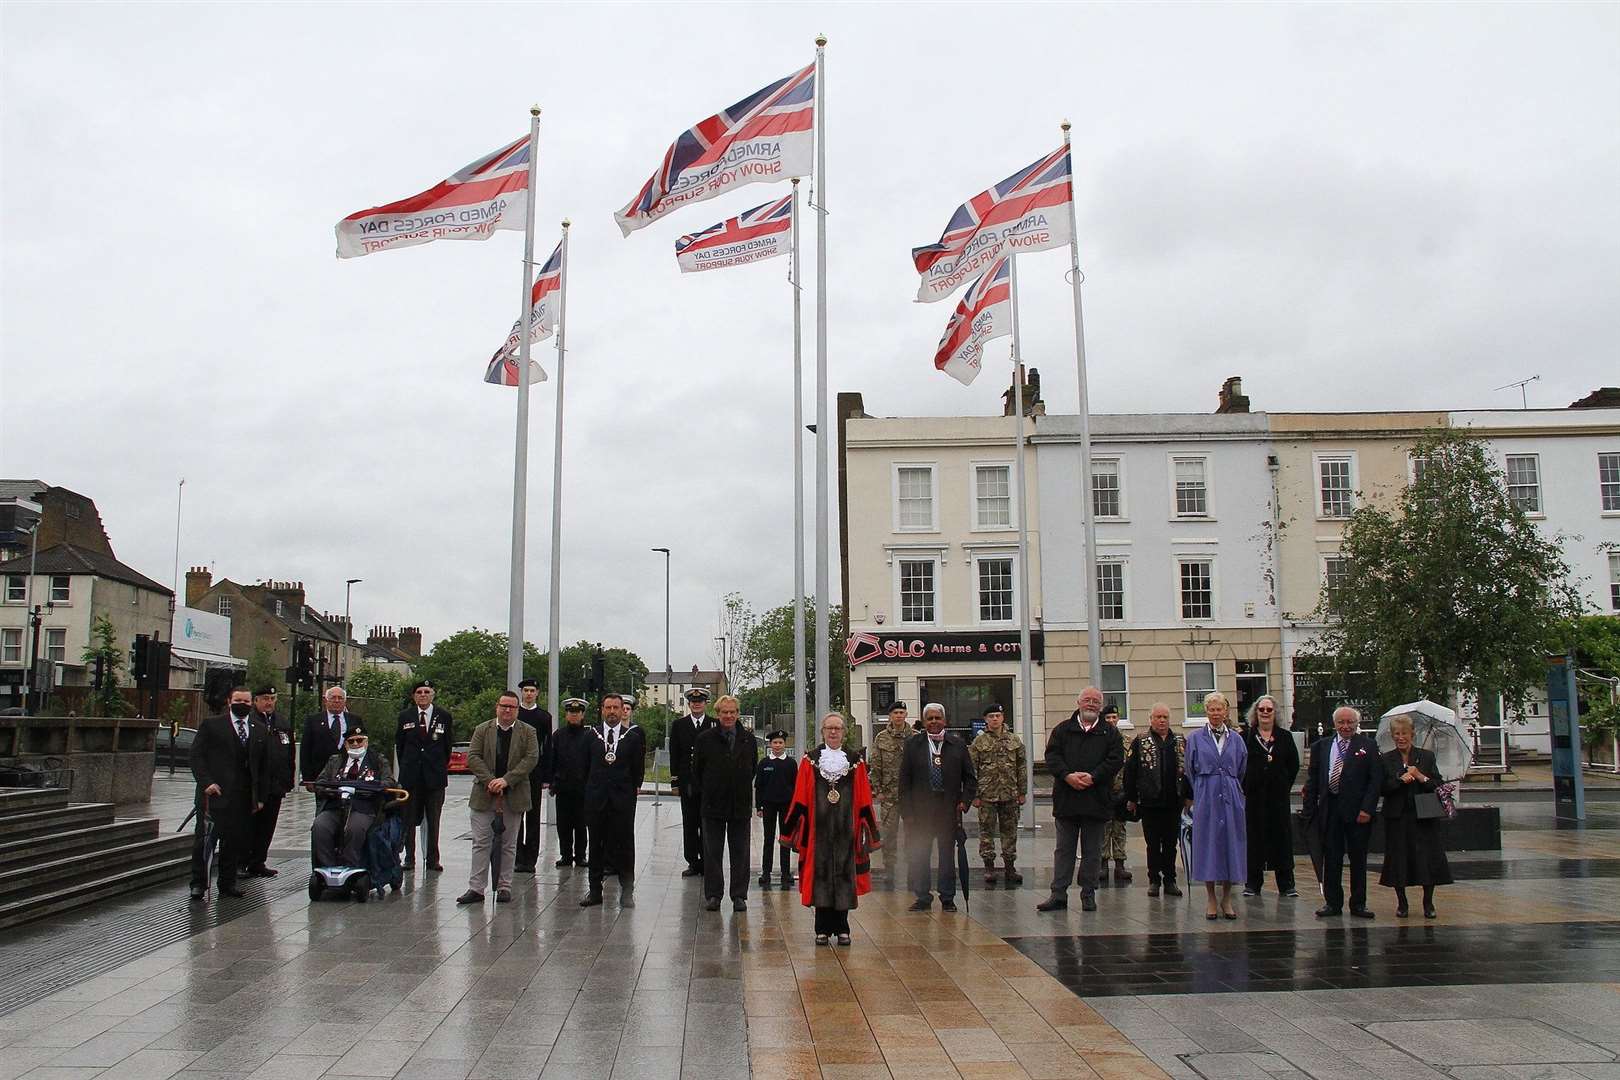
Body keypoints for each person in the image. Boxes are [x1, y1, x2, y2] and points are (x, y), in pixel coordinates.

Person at [781, 713, 880, 946]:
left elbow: (864, 796)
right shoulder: (810, 760)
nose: (833, 732)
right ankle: (822, 929)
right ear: (823, 732)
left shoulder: (855, 761)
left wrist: (868, 831)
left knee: (846, 877)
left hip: (847, 829)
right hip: (819, 831)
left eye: (837, 728)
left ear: (844, 732)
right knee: (821, 876)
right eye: (829, 728)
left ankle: (843, 928)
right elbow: (800, 796)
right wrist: (794, 831)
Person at [1038, 687, 1123, 913]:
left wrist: (1093, 777)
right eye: (1087, 700)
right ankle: (1058, 894)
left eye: (1096, 701)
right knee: (1064, 850)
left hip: (1097, 801)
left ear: (1101, 705)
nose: (1091, 704)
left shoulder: (1110, 733)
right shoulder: (1063, 730)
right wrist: (1067, 776)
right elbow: (1052, 756)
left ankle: (1088, 894)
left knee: (1092, 851)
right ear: (1078, 702)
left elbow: (1115, 760)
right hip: (1067, 800)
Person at [457, 691, 539, 905]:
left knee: (509, 844)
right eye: (504, 706)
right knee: (480, 842)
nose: (507, 710)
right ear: (497, 707)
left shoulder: (528, 732)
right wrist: (491, 780)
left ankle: (504, 886)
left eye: (512, 707)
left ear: (517, 710)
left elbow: (531, 758)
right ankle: (476, 888)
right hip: (484, 795)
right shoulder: (482, 730)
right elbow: (473, 757)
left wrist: (507, 780)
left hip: (514, 795)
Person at [1303, 706, 1383, 919]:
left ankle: (1358, 904)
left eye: (1350, 722)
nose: (1346, 726)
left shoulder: (1368, 746)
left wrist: (1367, 808)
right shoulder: (1322, 746)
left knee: (1358, 859)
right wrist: (1310, 809)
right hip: (1330, 809)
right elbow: (1313, 780)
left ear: (1357, 724)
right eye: (1341, 722)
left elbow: (1375, 781)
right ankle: (1332, 902)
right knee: (1332, 858)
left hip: (1358, 812)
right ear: (1334, 724)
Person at [189, 687, 268, 900]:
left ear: (252, 703)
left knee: (233, 843)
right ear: (229, 701)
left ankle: (227, 883)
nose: (242, 703)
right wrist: (207, 782)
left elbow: (262, 766)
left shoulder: (259, 729)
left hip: (241, 798)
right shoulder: (212, 725)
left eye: (246, 701)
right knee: (205, 841)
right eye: (237, 700)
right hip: (214, 795)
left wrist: (259, 797)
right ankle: (198, 883)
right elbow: (196, 756)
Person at [898, 703, 975, 912]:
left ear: (945, 721)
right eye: (929, 718)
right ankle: (923, 896)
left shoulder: (958, 745)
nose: (934, 722)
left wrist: (965, 801)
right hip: (921, 810)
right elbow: (904, 781)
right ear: (924, 722)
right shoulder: (913, 744)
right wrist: (907, 812)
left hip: (948, 809)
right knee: (920, 854)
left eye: (937, 718)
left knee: (947, 856)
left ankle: (947, 897)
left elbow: (970, 778)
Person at [1378, 714, 1452, 918]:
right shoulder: (1386, 759)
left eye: (1404, 734)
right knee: (1399, 859)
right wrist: (1400, 780)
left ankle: (1428, 903)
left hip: (1424, 816)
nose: (1401, 738)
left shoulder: (1426, 757)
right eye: (1396, 734)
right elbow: (1382, 788)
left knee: (1427, 858)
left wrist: (1421, 776)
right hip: (1398, 817)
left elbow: (1437, 785)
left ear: (1412, 734)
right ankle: (1402, 903)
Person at [1184, 691, 1248, 920]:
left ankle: (1227, 897)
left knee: (1232, 843)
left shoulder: (1237, 739)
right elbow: (1189, 769)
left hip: (1230, 794)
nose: (1215, 713)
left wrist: (1231, 787)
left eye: (1219, 709)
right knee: (1208, 844)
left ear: (1226, 711)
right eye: (1211, 709)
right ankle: (1211, 897)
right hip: (1207, 793)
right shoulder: (1194, 738)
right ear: (1206, 712)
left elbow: (1242, 768)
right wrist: (1202, 790)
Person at [691, 694, 759, 912]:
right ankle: (713, 895)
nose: (729, 716)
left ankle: (739, 895)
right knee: (712, 852)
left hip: (740, 804)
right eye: (724, 712)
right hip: (713, 804)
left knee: (741, 851)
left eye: (732, 712)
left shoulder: (748, 740)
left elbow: (753, 769)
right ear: (718, 714)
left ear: (738, 714)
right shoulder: (704, 739)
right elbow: (697, 771)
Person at [581, 692, 645, 909]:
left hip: (622, 802)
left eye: (616, 708)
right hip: (596, 801)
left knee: (625, 846)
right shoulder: (591, 736)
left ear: (622, 710)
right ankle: (595, 891)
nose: (611, 712)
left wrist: (627, 792)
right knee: (596, 846)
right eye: (608, 708)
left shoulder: (633, 738)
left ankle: (627, 891)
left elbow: (638, 771)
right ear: (602, 710)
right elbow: (584, 769)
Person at [311, 721, 394, 869]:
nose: (356, 744)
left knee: (354, 829)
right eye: (351, 741)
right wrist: (330, 790)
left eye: (359, 740)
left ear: (366, 742)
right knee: (320, 826)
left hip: (364, 807)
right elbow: (321, 781)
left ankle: (351, 867)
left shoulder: (378, 760)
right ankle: (326, 868)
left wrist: (370, 788)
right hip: (336, 805)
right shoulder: (336, 761)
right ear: (346, 744)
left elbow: (389, 781)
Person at [1123, 703, 1185, 898]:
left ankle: (1170, 879)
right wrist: (1131, 798)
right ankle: (1153, 879)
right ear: (1151, 719)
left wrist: (1188, 796)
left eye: (1165, 717)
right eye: (1158, 717)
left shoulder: (1179, 741)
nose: (1161, 720)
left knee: (1170, 843)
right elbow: (1130, 772)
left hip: (1173, 801)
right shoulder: (1141, 741)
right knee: (1152, 843)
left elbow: (1189, 770)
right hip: (1150, 802)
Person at [1242, 694, 1299, 897]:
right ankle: (1253, 883)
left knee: (1281, 838)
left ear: (1275, 713)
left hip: (1278, 798)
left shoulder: (1284, 736)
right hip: (1255, 798)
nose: (1265, 713)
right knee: (1254, 839)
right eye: (1261, 710)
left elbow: (1293, 765)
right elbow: (1240, 765)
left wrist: (1283, 784)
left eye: (1269, 710)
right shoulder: (1246, 737)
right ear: (1255, 713)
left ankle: (1286, 884)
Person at [395, 679, 452, 873]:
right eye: (419, 692)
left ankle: (432, 859)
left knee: (433, 819)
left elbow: (447, 747)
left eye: (427, 691)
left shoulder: (444, 716)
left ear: (433, 695)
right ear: (414, 696)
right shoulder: (405, 716)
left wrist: (436, 766)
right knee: (408, 819)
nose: (423, 695)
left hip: (434, 777)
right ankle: (409, 858)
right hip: (411, 776)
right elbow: (400, 746)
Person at [967, 703, 1026, 886]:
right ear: (985, 720)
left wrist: (1022, 792)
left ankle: (1010, 867)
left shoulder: (1014, 740)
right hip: (987, 795)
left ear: (1003, 718)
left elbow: (1021, 767)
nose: (994, 719)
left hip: (1009, 793)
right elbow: (972, 770)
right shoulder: (979, 742)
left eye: (997, 716)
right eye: (991, 716)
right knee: (986, 831)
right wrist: (974, 795)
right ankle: (989, 867)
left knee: (1010, 832)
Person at [245, 684, 293, 879]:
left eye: (272, 699)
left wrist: (288, 779)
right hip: (255, 786)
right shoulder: (250, 721)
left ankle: (258, 861)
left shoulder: (281, 722)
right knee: (249, 825)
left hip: (275, 784)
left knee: (267, 826)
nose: (269, 702)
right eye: (265, 698)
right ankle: (243, 861)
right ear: (256, 701)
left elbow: (289, 753)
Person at [669, 688, 715, 878]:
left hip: (708, 783)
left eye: (700, 701)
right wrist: (675, 782)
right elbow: (675, 754)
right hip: (688, 781)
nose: (697, 704)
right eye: (693, 701)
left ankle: (706, 861)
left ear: (706, 703)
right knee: (689, 823)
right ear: (689, 704)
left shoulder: (714, 723)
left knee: (707, 823)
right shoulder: (679, 725)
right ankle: (692, 861)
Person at [542, 698, 593, 867]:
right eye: (571, 712)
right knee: (563, 825)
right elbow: (552, 759)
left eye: (577, 712)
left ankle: (580, 856)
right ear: (566, 714)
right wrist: (551, 780)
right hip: (563, 787)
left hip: (582, 788)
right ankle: (565, 855)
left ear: (582, 714)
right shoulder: (558, 735)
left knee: (580, 824)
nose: (574, 715)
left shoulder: (589, 736)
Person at [867, 701, 911, 887]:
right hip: (889, 795)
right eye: (895, 713)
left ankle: (913, 868)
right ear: (891, 716)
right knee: (889, 833)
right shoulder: (881, 738)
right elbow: (875, 765)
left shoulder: (915, 737)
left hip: (910, 796)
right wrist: (877, 790)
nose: (899, 716)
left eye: (901, 712)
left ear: (906, 714)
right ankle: (889, 869)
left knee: (912, 833)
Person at [514, 678, 553, 873]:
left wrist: (547, 775)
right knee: (515, 814)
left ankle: (530, 858)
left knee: (533, 815)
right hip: (514, 771)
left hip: (535, 771)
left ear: (537, 693)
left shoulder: (544, 717)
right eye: (526, 690)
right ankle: (517, 855)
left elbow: (547, 746)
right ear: (521, 692)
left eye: (532, 690)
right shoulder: (515, 713)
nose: (528, 694)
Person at [755, 729, 798, 889]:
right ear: (770, 744)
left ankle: (786, 873)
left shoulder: (791, 764)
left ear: (785, 745)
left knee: (785, 840)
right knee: (768, 839)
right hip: (769, 805)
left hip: (786, 805)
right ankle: (766, 872)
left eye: (780, 742)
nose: (778, 745)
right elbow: (758, 786)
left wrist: (796, 807)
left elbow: (796, 786)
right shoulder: (764, 763)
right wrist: (758, 806)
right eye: (775, 743)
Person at [1098, 702, 1133, 885]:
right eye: (1108, 718)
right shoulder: (1099, 739)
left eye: (1114, 717)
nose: (1111, 721)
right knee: (1104, 828)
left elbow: (1133, 767)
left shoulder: (1127, 741)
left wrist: (1131, 792)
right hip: (1104, 791)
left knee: (1119, 828)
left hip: (1122, 791)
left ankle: (1120, 864)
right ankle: (1103, 863)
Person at [300, 685, 354, 787]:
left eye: (340, 698)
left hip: (349, 775)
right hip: (321, 776)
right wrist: (308, 779)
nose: (337, 701)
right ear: (326, 700)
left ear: (345, 701)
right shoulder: (313, 721)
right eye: (333, 697)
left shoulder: (354, 720)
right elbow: (305, 750)